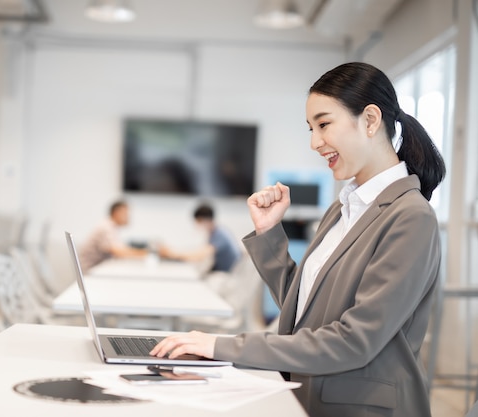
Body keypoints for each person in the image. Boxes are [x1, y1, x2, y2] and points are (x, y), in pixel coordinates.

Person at [150, 62, 445, 417]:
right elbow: (302, 308)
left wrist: (221, 346)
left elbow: (354, 341)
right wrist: (268, 233)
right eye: (310, 128)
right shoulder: (343, 209)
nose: (314, 142)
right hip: (308, 394)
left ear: (369, 120)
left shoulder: (410, 217)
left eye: (323, 124)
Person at [159, 203, 240, 272]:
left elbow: (200, 255)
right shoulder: (214, 233)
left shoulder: (220, 234)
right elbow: (200, 250)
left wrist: (172, 254)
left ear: (204, 220)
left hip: (228, 275)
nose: (197, 225)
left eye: (198, 222)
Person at [79, 200, 148, 271]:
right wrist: (146, 253)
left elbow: (120, 249)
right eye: (125, 214)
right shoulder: (106, 227)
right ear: (116, 213)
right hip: (91, 271)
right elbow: (119, 252)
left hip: (98, 268)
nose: (128, 217)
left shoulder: (112, 227)